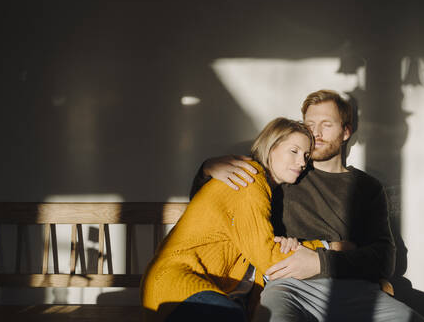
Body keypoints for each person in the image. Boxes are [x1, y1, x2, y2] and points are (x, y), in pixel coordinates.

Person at [192, 90, 424, 322]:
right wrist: (206, 170)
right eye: (310, 124)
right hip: (288, 286)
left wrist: (319, 262)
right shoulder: (286, 170)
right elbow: (218, 204)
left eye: (326, 124)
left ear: (346, 132)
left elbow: (384, 258)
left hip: (353, 290)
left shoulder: (367, 187)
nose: (316, 132)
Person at [141, 118, 331, 322]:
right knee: (230, 315)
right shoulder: (251, 178)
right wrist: (328, 247)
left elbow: (257, 246)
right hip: (177, 285)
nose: (302, 162)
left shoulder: (268, 192)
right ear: (270, 147)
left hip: (204, 292)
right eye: (293, 151)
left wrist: (287, 245)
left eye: (306, 156)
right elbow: (267, 258)